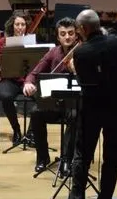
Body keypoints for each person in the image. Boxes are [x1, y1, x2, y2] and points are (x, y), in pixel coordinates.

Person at [65, 10, 117, 199]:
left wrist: (76, 70)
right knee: (112, 156)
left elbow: (84, 82)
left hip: (91, 106)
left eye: (77, 29)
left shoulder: (81, 52)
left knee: (82, 155)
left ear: (83, 29)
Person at [22, 17, 80, 174]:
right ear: (58, 37)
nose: (67, 37)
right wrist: (29, 83)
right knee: (36, 113)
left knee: (75, 117)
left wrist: (76, 70)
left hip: (74, 103)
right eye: (63, 34)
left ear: (76, 35)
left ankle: (67, 160)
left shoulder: (82, 51)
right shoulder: (53, 52)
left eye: (70, 33)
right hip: (55, 103)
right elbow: (34, 72)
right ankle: (42, 157)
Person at [0, 10, 30, 143]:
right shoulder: (2, 42)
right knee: (5, 96)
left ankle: (32, 132)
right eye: (17, 24)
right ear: (12, 26)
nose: (20, 28)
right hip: (9, 79)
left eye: (23, 25)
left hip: (27, 80)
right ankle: (16, 129)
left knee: (42, 95)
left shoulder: (31, 41)